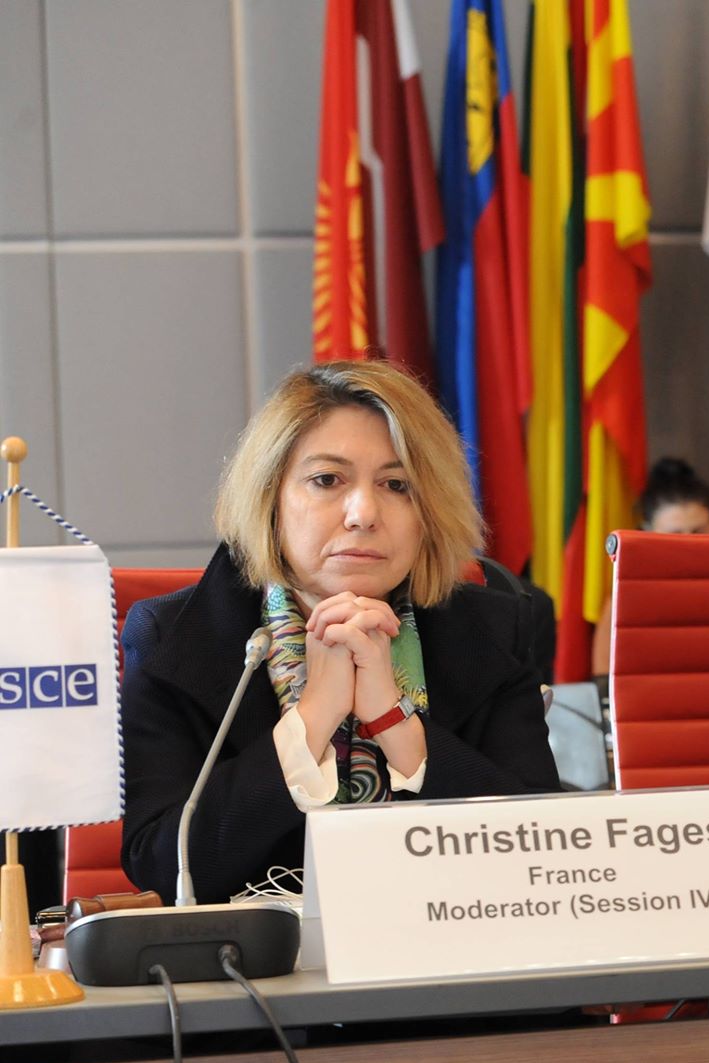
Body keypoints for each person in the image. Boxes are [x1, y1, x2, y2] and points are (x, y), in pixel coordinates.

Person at [121, 361, 560, 903]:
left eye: (397, 485)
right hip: (263, 953)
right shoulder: (173, 637)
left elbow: (540, 853)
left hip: (450, 940)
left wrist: (393, 721)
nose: (363, 513)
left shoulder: (493, 631)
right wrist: (313, 718)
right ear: (270, 498)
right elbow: (164, 866)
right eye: (327, 480)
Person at [590, 457, 709, 676]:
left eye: (698, 531)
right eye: (675, 534)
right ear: (647, 531)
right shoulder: (627, 593)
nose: (688, 543)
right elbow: (605, 676)